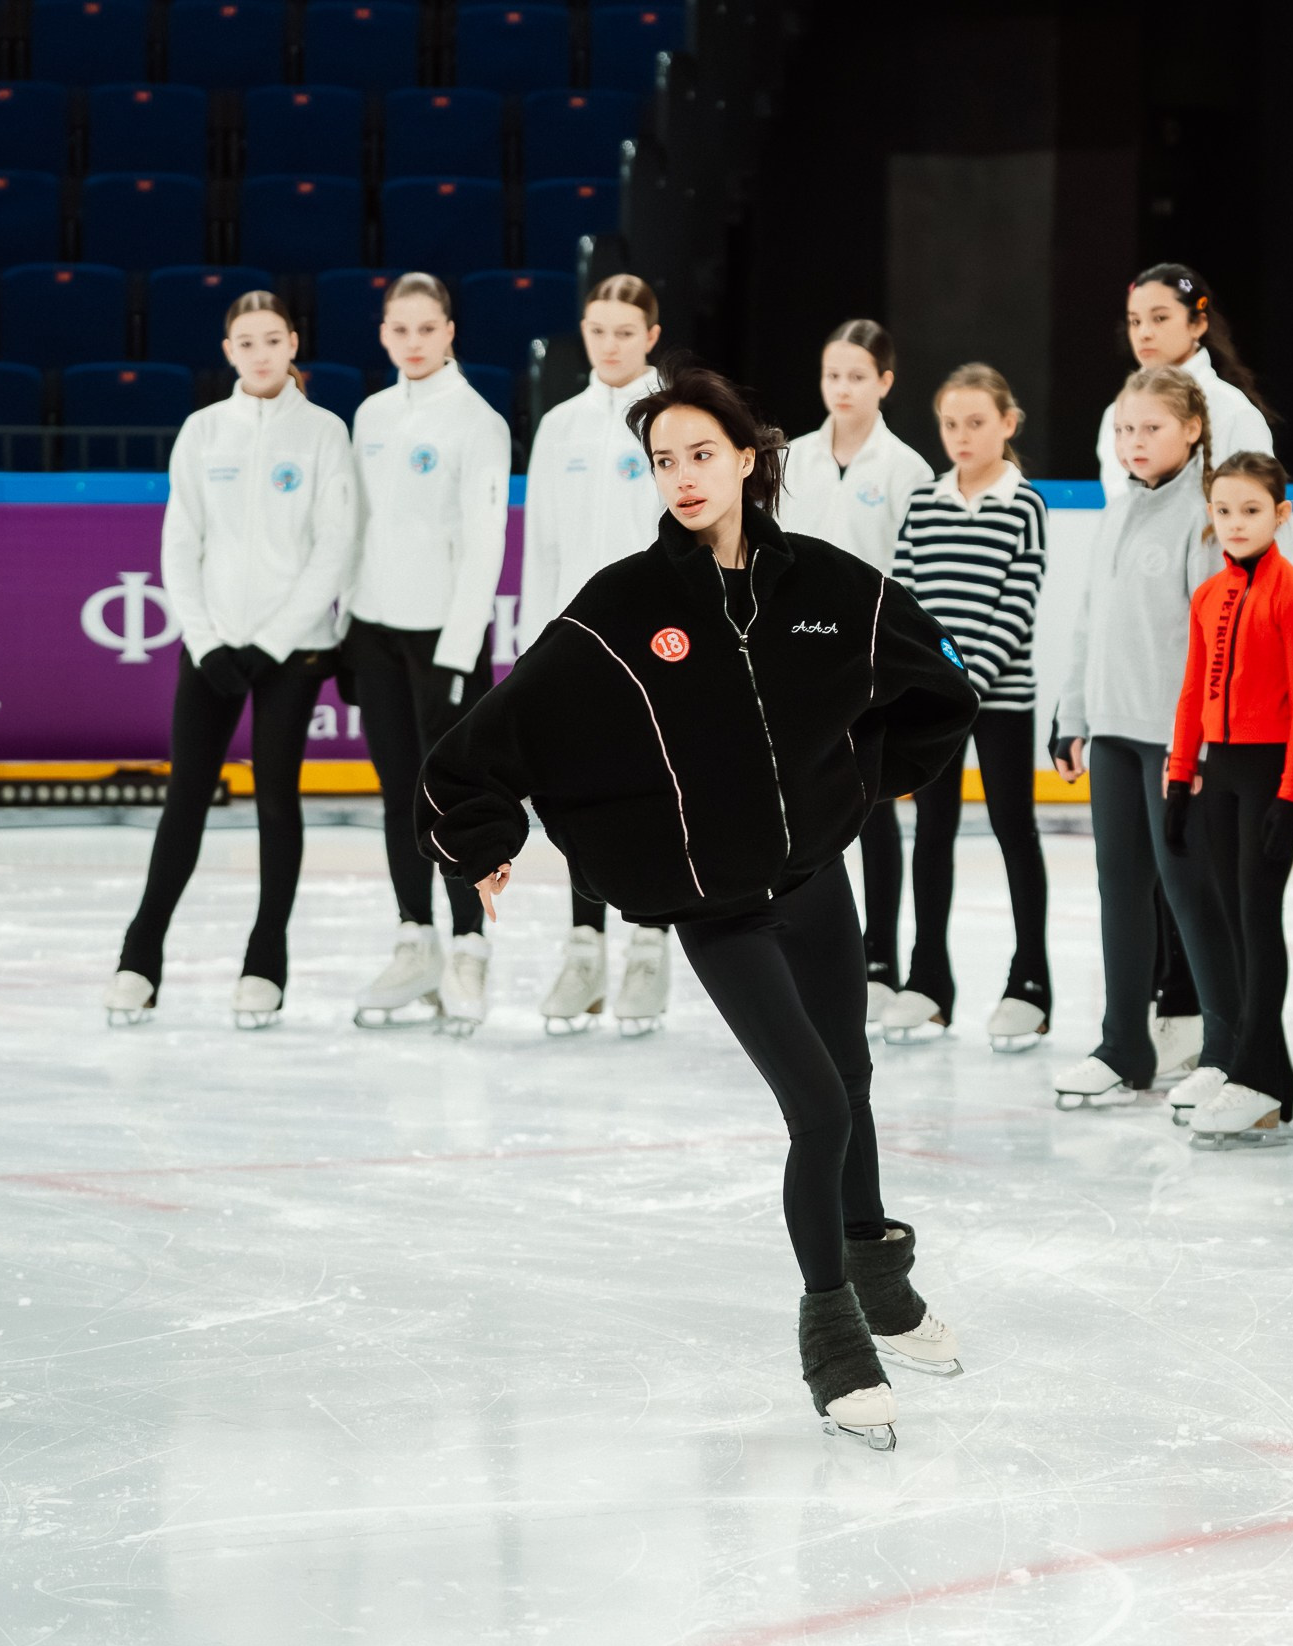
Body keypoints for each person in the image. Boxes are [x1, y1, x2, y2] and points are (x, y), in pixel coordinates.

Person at [417, 366, 980, 1449]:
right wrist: (486, 838)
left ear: (748, 459)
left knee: (854, 1078)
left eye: (700, 454)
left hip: (816, 878)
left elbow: (937, 688)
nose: (681, 476)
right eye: (663, 460)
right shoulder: (625, 606)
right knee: (816, 1106)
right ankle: (833, 1336)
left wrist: (859, 784)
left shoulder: (826, 583)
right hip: (719, 909)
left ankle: (879, 1277)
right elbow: (485, 742)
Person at [103, 291, 353, 1029]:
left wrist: (270, 643)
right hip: (211, 649)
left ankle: (265, 962)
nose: (261, 353)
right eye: (247, 342)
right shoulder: (203, 430)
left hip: (294, 648)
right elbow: (181, 542)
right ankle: (139, 958)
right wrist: (208, 640)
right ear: (229, 351)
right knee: (187, 798)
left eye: (273, 339)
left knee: (277, 796)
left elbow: (332, 548)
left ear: (293, 343)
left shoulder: (323, 433)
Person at [1047, 366, 1238, 1115]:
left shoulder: (1204, 515)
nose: (1134, 442)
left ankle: (1225, 1049)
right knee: (1119, 890)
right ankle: (1124, 1042)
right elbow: (1090, 621)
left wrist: (1195, 745)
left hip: (1173, 740)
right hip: (1114, 735)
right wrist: (1072, 714)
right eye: (1124, 430)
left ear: (1191, 429)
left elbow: (1212, 644)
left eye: (1150, 427)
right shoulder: (1117, 510)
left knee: (1191, 892)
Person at [338, 272, 513, 1037]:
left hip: (445, 637)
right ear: (383, 334)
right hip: (374, 629)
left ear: (449, 331)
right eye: (398, 329)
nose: (412, 342)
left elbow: (485, 544)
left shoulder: (479, 422)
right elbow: (356, 527)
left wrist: (455, 649)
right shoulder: (370, 414)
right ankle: (415, 938)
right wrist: (347, 624)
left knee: (454, 799)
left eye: (425, 328)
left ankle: (469, 945)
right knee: (396, 792)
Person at [877, 364, 1052, 1049]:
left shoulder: (1024, 505)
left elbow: (1018, 601)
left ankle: (1030, 981)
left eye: (976, 422)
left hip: (1001, 700)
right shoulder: (924, 502)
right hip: (933, 702)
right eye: (951, 423)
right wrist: (931, 682)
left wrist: (968, 681)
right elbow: (906, 600)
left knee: (1014, 830)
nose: (961, 435)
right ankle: (928, 981)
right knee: (934, 832)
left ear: (1007, 424)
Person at [518, 272, 673, 1038]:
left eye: (623, 331)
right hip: (573, 650)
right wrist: (531, 654)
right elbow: (541, 549)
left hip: (654, 650)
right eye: (596, 330)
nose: (608, 344)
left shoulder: (673, 421)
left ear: (650, 335)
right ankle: (585, 948)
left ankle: (650, 941)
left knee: (651, 796)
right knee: (579, 804)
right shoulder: (560, 426)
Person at [781, 318, 938, 1021]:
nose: (842, 388)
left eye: (856, 376)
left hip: (871, 666)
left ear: (886, 382)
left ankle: (879, 959)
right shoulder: (790, 458)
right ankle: (799, 951)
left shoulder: (908, 471)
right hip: (800, 662)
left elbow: (913, 580)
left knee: (873, 814)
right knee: (804, 811)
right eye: (831, 375)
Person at [1166, 451, 1293, 1148]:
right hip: (1217, 777)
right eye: (1223, 510)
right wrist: (1178, 779)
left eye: (1250, 510)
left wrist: (1289, 800)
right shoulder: (1207, 596)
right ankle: (1266, 1072)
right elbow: (1192, 691)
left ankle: (1256, 1079)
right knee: (1230, 922)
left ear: (1280, 515)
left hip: (1266, 780)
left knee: (1258, 923)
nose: (1234, 522)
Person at [1094, 263, 1276, 502]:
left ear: (1198, 324)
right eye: (1135, 321)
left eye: (1160, 318)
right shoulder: (1117, 413)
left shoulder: (1232, 411)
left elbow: (1259, 511)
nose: (1144, 333)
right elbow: (1120, 506)